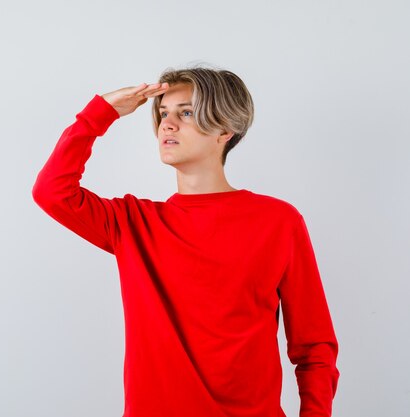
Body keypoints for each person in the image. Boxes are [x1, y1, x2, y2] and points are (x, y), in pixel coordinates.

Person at [32, 65, 340, 417]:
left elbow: (314, 347)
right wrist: (98, 114)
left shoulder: (279, 222)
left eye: (187, 112)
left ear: (225, 128)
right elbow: (52, 192)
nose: (168, 124)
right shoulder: (132, 223)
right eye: (164, 113)